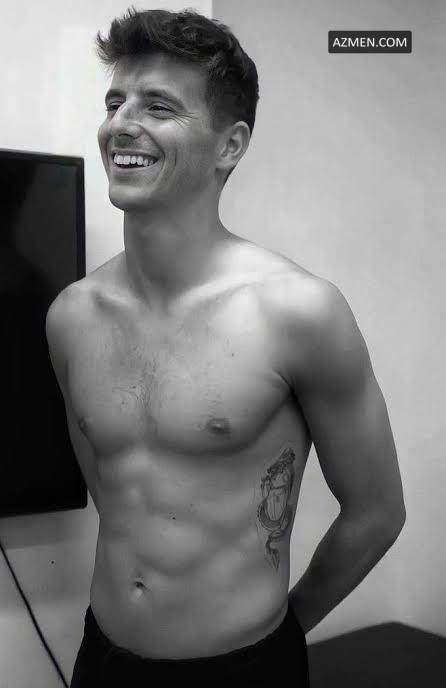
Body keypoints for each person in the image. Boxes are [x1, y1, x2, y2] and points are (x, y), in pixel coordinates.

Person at [45, 7, 406, 687]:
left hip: (246, 667)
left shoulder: (298, 312)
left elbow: (378, 512)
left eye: (158, 106)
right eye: (116, 102)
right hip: (105, 660)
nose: (121, 124)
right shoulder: (71, 317)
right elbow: (114, 494)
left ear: (229, 145)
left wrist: (281, 634)